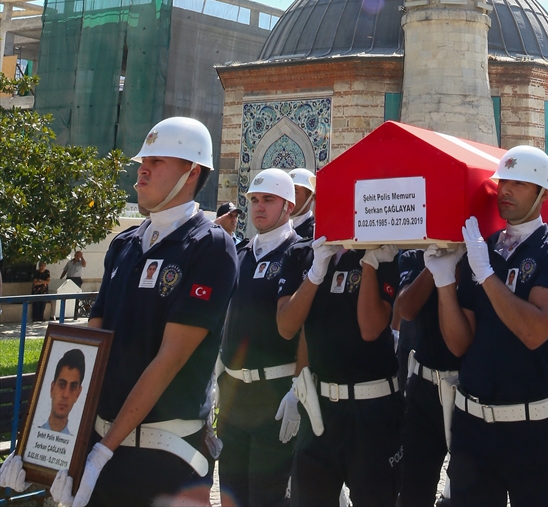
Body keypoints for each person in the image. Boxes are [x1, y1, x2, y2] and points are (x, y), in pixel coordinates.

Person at [48, 116, 238, 507]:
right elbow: (92, 347)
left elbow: (168, 360)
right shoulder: (125, 244)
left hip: (166, 459)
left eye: (158, 161)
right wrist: (50, 446)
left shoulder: (210, 246)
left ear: (192, 172)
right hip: (106, 444)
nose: (142, 172)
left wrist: (102, 452)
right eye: (142, 162)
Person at [429, 145, 548, 507]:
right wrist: (443, 284)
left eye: (519, 183)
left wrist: (486, 274)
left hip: (531, 429)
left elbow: (534, 331)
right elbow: (458, 344)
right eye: (503, 182)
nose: (506, 191)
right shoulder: (484, 249)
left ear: (543, 193)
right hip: (472, 425)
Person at [276, 233, 403, 506]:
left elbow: (370, 329)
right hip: (319, 408)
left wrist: (369, 263)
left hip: (372, 408)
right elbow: (286, 327)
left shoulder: (384, 249)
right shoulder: (301, 253)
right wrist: (315, 274)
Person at [217, 168, 311, 507]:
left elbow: (307, 330)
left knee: (266, 497)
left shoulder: (301, 253)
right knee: (230, 490)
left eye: (268, 200)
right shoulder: (238, 253)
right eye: (254, 200)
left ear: (288, 205)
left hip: (276, 396)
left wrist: (298, 390)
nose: (259, 207)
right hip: (233, 396)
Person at [395, 246, 463, 507]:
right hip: (425, 387)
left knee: (469, 490)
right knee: (413, 489)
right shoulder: (416, 255)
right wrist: (433, 265)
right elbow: (406, 310)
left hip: (470, 388)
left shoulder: (481, 252)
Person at [38, 350, 85, 434]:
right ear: (52, 388)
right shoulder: (32, 437)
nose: (66, 395)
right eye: (62, 385)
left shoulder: (76, 444)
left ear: (78, 394)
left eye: (73, 387)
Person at [288, 169, 316, 241]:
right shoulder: (275, 229)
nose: (287, 196)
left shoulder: (316, 233)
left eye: (294, 191)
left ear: (311, 197)